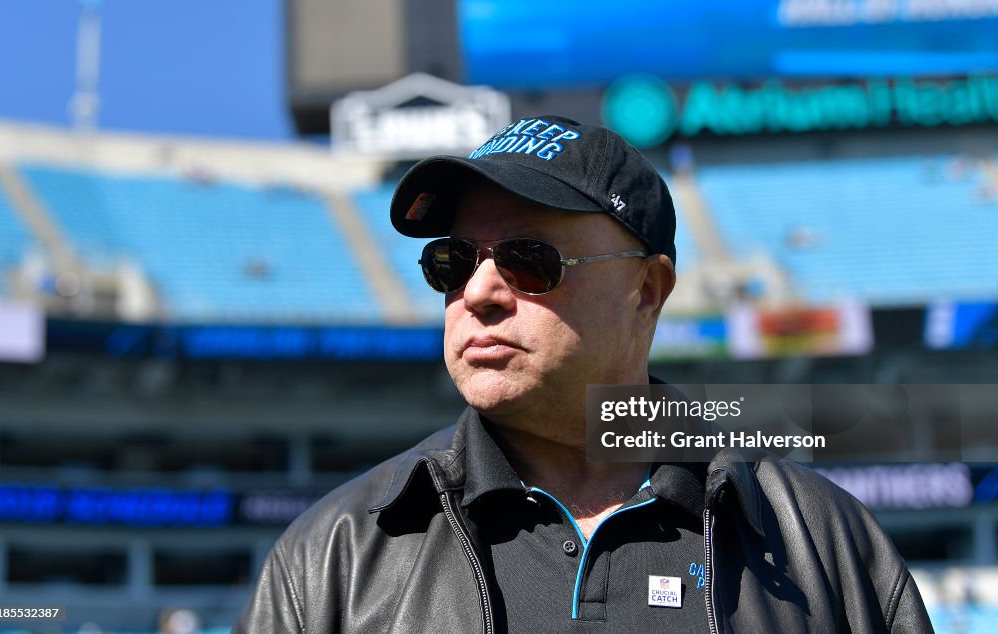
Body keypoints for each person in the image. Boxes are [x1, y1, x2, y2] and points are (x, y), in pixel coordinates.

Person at [234, 115, 933, 632]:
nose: (477, 293)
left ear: (647, 291)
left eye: (529, 258)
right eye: (451, 262)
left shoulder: (822, 542)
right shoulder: (332, 557)